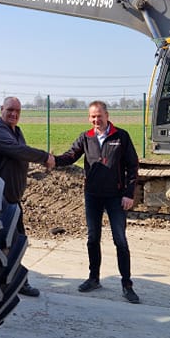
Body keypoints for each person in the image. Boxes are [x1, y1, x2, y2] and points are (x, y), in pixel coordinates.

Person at [55, 100, 141, 304]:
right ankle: (94, 278)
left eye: (99, 116)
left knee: (120, 240)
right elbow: (70, 156)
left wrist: (129, 194)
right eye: (93, 116)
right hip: (92, 195)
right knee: (93, 239)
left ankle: (127, 285)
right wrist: (51, 160)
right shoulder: (86, 137)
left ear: (107, 115)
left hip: (116, 196)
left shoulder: (121, 136)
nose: (96, 120)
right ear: (89, 118)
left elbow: (133, 166)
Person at [0, 96, 55, 297]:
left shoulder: (16, 131)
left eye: (18, 111)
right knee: (6, 242)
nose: (14, 114)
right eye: (10, 109)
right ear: (2, 108)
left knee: (15, 242)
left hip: (10, 200)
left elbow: (18, 155)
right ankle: (13, 283)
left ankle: (13, 281)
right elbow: (16, 150)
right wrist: (44, 157)